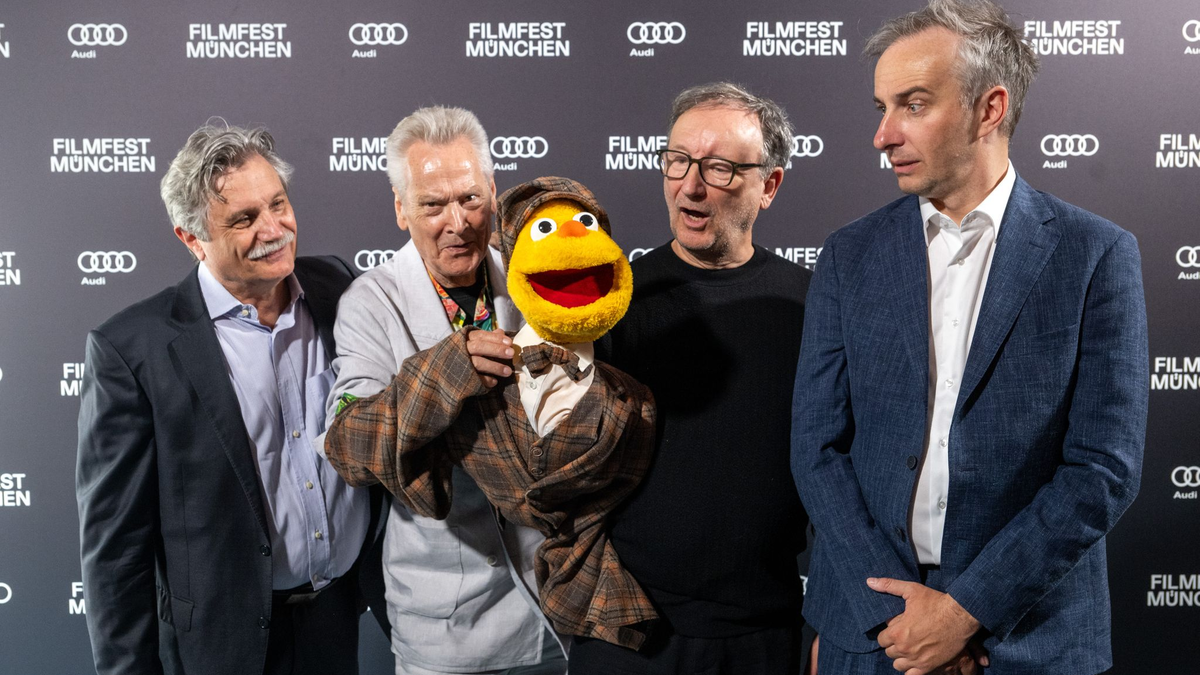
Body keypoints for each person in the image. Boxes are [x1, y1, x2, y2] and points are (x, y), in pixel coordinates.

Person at [791, 1, 1148, 673]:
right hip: (870, 637)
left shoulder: (1095, 254)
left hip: (1026, 641)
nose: (883, 134)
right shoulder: (848, 254)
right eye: (880, 107)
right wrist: (899, 617)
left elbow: (1104, 466)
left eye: (913, 104)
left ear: (989, 110)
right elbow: (817, 447)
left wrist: (963, 613)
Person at [76, 122, 384, 675]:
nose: (275, 229)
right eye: (243, 219)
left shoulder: (338, 288)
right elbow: (116, 551)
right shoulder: (133, 350)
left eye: (278, 204)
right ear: (191, 238)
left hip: (339, 620)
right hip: (221, 644)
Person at [563, 81, 813, 673]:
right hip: (626, 633)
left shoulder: (813, 306)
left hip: (766, 634)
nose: (690, 185)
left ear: (769, 185)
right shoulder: (608, 302)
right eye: (677, 161)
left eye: (720, 168)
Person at [320, 106, 568, 675]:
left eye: (470, 199)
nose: (456, 221)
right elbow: (350, 443)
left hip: (556, 615)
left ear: (493, 193)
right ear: (402, 209)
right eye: (432, 205)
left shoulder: (535, 279)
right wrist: (443, 373)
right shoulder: (370, 301)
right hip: (447, 631)